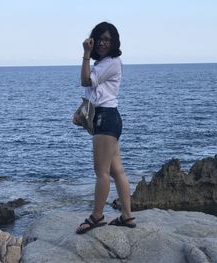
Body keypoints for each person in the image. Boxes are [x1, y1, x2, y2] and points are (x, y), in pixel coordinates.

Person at [76, 22, 136, 234]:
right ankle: (127, 216)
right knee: (116, 170)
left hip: (106, 119)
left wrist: (85, 53)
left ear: (114, 42)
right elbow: (94, 93)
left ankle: (97, 216)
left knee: (101, 172)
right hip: (108, 117)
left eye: (107, 39)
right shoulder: (104, 63)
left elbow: (85, 81)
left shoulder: (111, 62)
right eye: (99, 38)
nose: (103, 42)